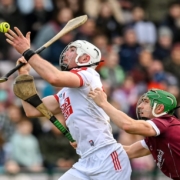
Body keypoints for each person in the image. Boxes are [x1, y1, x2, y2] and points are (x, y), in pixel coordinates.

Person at [5, 27, 132, 180]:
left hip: (107, 159)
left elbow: (54, 77)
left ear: (85, 59)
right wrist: (24, 74)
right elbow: (32, 110)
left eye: (72, 50)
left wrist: (27, 51)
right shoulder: (66, 92)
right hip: (85, 160)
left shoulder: (88, 75)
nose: (66, 52)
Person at [88, 88, 180, 180]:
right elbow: (129, 151)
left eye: (146, 102)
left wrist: (103, 103)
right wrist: (90, 146)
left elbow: (128, 126)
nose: (140, 106)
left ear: (159, 108)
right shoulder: (159, 134)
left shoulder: (165, 122)